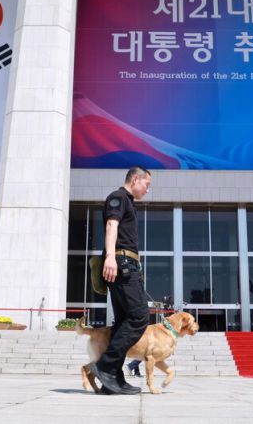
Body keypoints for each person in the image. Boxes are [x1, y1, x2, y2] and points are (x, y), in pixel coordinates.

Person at [89, 166, 152, 395]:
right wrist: (110, 257)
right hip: (122, 263)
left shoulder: (128, 201)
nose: (147, 189)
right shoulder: (118, 197)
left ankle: (112, 379)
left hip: (126, 264)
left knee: (124, 320)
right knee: (139, 316)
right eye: (147, 184)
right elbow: (111, 225)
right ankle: (105, 366)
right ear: (135, 179)